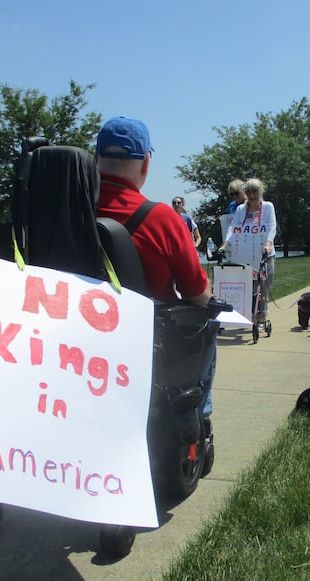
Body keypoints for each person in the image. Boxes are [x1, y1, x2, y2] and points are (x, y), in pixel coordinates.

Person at [94, 116, 215, 423]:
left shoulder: (68, 214)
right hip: (148, 347)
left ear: (95, 159)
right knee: (208, 330)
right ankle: (197, 425)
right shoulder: (162, 218)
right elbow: (198, 295)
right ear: (146, 163)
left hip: (81, 345)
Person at [218, 177, 277, 323]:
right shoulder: (240, 209)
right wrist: (226, 244)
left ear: (261, 191)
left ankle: (262, 312)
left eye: (255, 191)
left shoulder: (268, 207)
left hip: (264, 253)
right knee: (250, 286)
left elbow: (271, 227)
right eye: (248, 191)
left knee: (264, 284)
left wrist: (269, 244)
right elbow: (233, 228)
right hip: (245, 253)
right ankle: (249, 312)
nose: (252, 195)